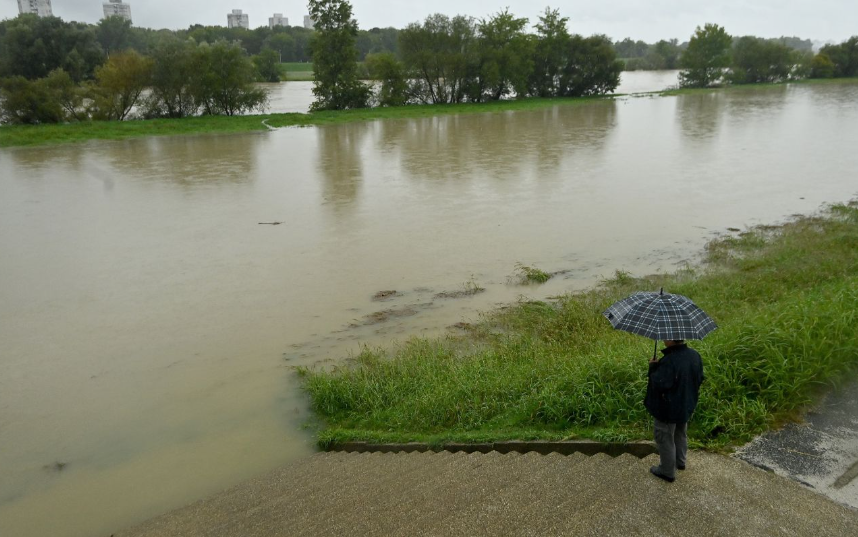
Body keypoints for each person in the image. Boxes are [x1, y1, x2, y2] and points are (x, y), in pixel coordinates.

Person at [644, 339, 704, 483]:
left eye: (666, 337)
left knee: (664, 437)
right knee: (680, 432)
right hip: (686, 404)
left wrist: (653, 368)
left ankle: (667, 471)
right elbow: (700, 378)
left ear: (671, 339)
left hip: (667, 408)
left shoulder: (669, 361)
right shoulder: (695, 355)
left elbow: (659, 384)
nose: (664, 339)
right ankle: (680, 462)